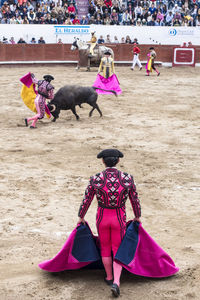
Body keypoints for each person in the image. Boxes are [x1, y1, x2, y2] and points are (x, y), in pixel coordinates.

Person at [77, 149, 141, 297]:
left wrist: (81, 216)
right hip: (119, 217)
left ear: (102, 161)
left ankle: (108, 277)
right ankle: (117, 282)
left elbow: (87, 199)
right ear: (118, 161)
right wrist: (137, 216)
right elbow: (135, 199)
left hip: (102, 217)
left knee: (105, 247)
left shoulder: (96, 178)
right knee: (117, 247)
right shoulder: (127, 178)